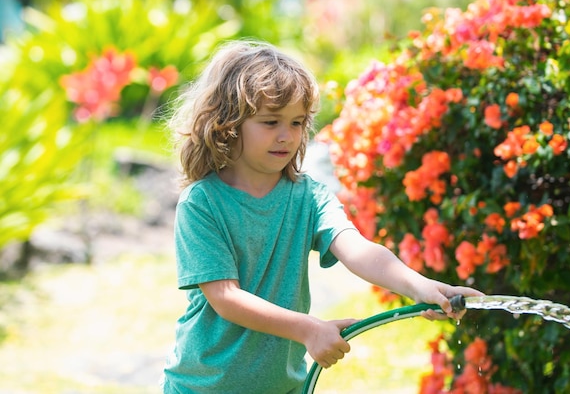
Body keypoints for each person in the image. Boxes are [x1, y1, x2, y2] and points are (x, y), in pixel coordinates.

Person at [161, 40, 483, 394]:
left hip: (284, 386)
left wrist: (422, 287)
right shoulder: (202, 203)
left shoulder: (307, 196)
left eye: (297, 122)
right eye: (271, 122)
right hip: (205, 386)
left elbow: (359, 250)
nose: (287, 136)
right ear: (228, 123)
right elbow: (225, 297)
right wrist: (307, 329)